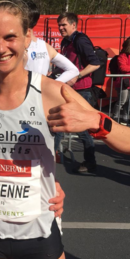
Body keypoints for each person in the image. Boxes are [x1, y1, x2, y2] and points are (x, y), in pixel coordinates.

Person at [0, 0, 130, 259]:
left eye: (10, 37)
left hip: (40, 235)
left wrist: (95, 121)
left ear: (28, 38)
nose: (1, 48)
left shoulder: (52, 91)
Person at [56, 12, 101, 173]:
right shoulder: (66, 41)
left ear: (73, 25)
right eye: (59, 25)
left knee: (82, 129)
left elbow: (95, 63)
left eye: (64, 25)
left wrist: (77, 76)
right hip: (68, 89)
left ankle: (90, 162)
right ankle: (51, 156)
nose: (60, 28)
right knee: (58, 124)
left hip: (82, 90)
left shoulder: (80, 40)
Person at [22, 0, 79, 83]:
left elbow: (73, 70)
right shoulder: (45, 46)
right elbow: (73, 70)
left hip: (26, 94)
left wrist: (51, 85)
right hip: (37, 93)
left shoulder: (14, 47)